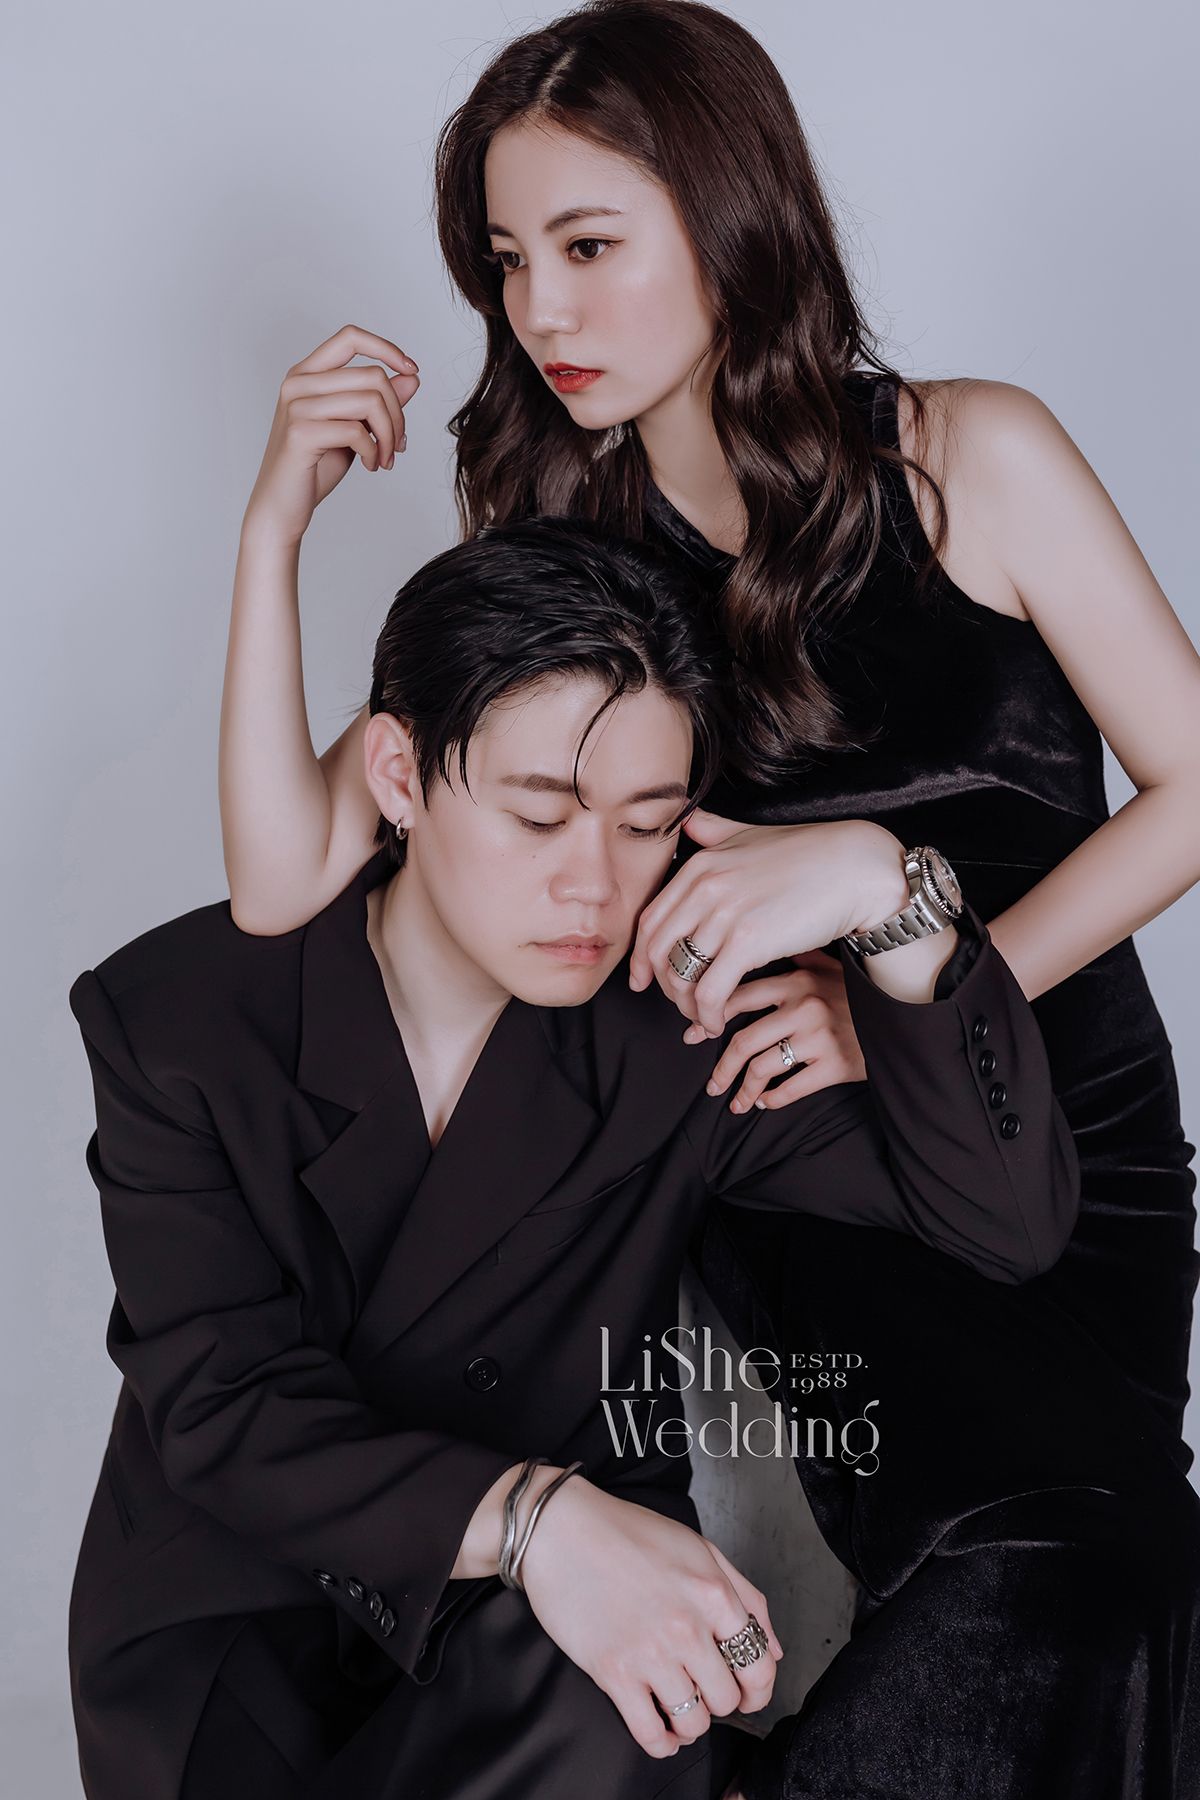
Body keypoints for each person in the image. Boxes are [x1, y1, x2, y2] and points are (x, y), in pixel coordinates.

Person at [69, 518, 1079, 1800]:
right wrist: (537, 1520)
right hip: (238, 1620)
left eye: (647, 824)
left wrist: (894, 898)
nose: (593, 888)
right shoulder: (178, 1018)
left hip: (549, 1639)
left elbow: (1006, 1221)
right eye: (539, 816)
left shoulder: (682, 1020)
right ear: (398, 773)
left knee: (644, 1707)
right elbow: (226, 1408)